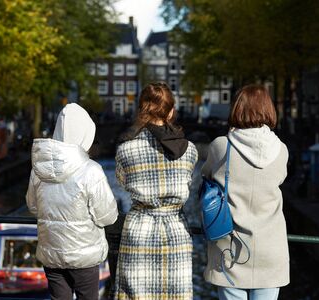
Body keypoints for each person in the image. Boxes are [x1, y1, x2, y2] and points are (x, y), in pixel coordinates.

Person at [201, 85, 289, 300]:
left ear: (236, 109)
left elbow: (206, 176)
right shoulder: (282, 150)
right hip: (270, 249)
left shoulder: (221, 147)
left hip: (230, 248)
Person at [113, 82, 198, 299]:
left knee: (135, 293)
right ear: (171, 111)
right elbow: (187, 180)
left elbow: (123, 182)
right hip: (175, 231)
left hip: (140, 228)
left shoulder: (125, 149)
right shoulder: (190, 151)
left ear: (142, 109)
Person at [26, 103, 118, 300]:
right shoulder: (91, 170)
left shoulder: (38, 170)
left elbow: (33, 206)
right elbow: (107, 216)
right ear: (86, 134)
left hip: (51, 252)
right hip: (84, 255)